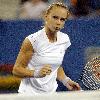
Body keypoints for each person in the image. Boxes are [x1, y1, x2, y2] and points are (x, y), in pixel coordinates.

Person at [12, 2, 81, 95]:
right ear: (46, 16)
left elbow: (55, 66)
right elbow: (16, 70)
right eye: (55, 17)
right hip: (28, 95)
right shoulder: (32, 40)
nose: (58, 22)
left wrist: (66, 81)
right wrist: (37, 73)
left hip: (51, 95)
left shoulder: (64, 39)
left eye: (62, 19)